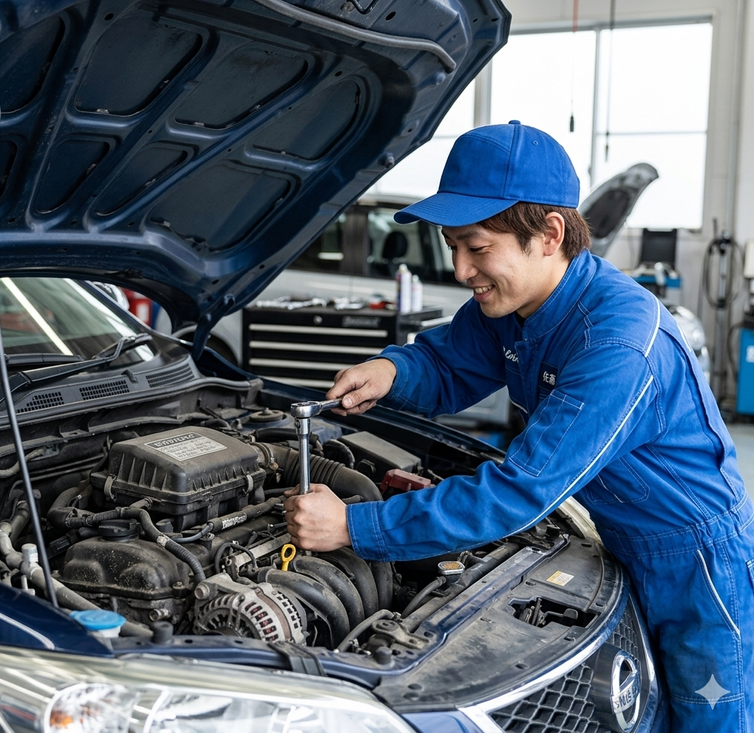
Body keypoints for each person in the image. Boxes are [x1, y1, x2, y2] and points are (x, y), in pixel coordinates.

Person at [283, 121, 754, 732]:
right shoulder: (512, 305)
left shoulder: (616, 343)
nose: (460, 270)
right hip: (616, 529)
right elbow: (447, 363)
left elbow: (520, 490)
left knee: (707, 716)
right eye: (453, 246)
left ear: (550, 234)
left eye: (477, 248)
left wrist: (356, 523)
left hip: (693, 561)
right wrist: (390, 369)